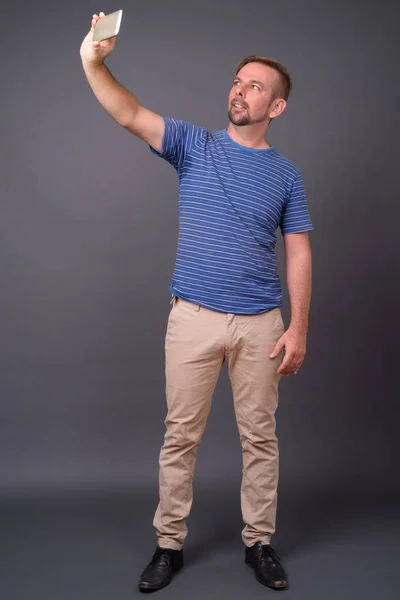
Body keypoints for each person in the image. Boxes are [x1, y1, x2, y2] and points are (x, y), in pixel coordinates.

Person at [80, 12, 313, 593]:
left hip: (261, 325)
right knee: (179, 435)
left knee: (260, 438)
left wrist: (299, 327)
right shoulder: (193, 145)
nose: (240, 89)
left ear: (276, 107)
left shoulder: (287, 176)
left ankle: (259, 542)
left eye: (255, 85)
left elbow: (300, 255)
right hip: (193, 320)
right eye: (238, 80)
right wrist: (93, 60)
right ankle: (169, 546)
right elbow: (130, 113)